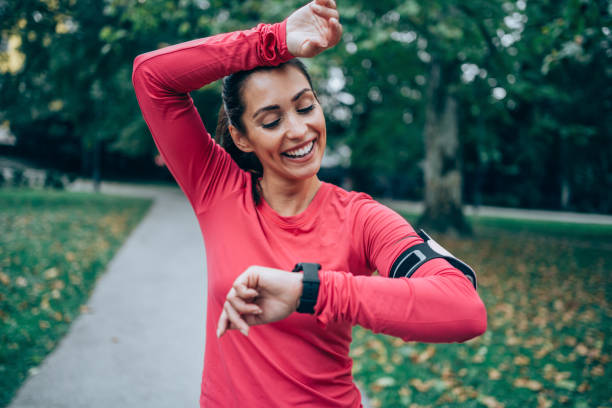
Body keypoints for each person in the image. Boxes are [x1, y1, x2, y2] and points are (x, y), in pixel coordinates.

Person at [132, 0, 487, 406]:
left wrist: (311, 290)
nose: (299, 131)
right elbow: (152, 76)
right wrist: (275, 40)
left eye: (305, 107)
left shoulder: (362, 218)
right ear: (242, 136)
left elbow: (464, 309)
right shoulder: (217, 188)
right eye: (271, 120)